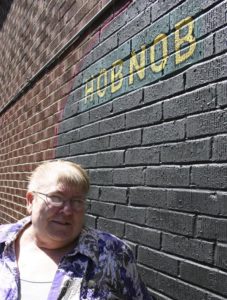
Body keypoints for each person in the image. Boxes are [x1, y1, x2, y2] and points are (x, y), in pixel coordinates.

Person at [0, 160, 152, 300]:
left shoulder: (113, 253)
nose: (67, 210)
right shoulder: (3, 242)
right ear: (30, 201)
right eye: (56, 198)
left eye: (77, 201)